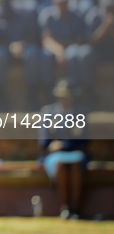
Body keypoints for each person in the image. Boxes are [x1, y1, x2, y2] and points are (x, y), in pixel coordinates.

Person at [38, 78, 90, 220]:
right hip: (55, 156)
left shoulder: (81, 113)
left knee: (75, 164)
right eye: (62, 96)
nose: (65, 99)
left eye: (67, 96)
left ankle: (75, 207)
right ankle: (65, 207)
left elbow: (84, 140)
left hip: (75, 153)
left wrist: (64, 145)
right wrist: (56, 146)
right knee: (60, 165)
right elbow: (43, 142)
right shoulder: (48, 112)